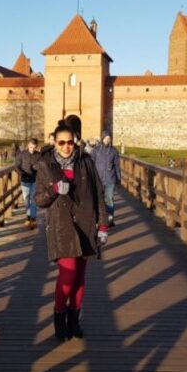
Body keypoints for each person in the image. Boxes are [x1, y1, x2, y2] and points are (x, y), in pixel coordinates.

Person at [35, 120, 109, 342]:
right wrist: (54, 190)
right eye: (61, 143)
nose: (66, 146)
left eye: (70, 142)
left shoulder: (85, 161)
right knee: (68, 274)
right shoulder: (46, 165)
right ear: (54, 143)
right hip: (61, 225)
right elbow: (38, 199)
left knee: (80, 278)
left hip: (86, 224)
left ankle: (74, 320)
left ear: (75, 141)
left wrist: (103, 225)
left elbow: (98, 193)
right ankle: (59, 316)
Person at [91, 130, 121, 226]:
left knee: (110, 199)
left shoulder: (114, 151)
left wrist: (118, 178)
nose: (107, 140)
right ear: (102, 138)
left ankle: (110, 218)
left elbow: (117, 165)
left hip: (110, 179)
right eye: (106, 138)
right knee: (98, 199)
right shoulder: (96, 150)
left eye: (109, 138)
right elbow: (91, 164)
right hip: (98, 179)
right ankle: (98, 219)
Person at [15, 137, 41, 229]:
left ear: (36, 146)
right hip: (25, 181)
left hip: (34, 180)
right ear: (28, 145)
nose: (32, 149)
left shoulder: (38, 155)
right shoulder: (21, 155)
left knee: (33, 199)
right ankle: (28, 216)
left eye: (34, 147)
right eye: (31, 147)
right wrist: (22, 173)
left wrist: (36, 168)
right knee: (26, 200)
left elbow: (41, 166)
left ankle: (32, 219)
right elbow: (17, 166)